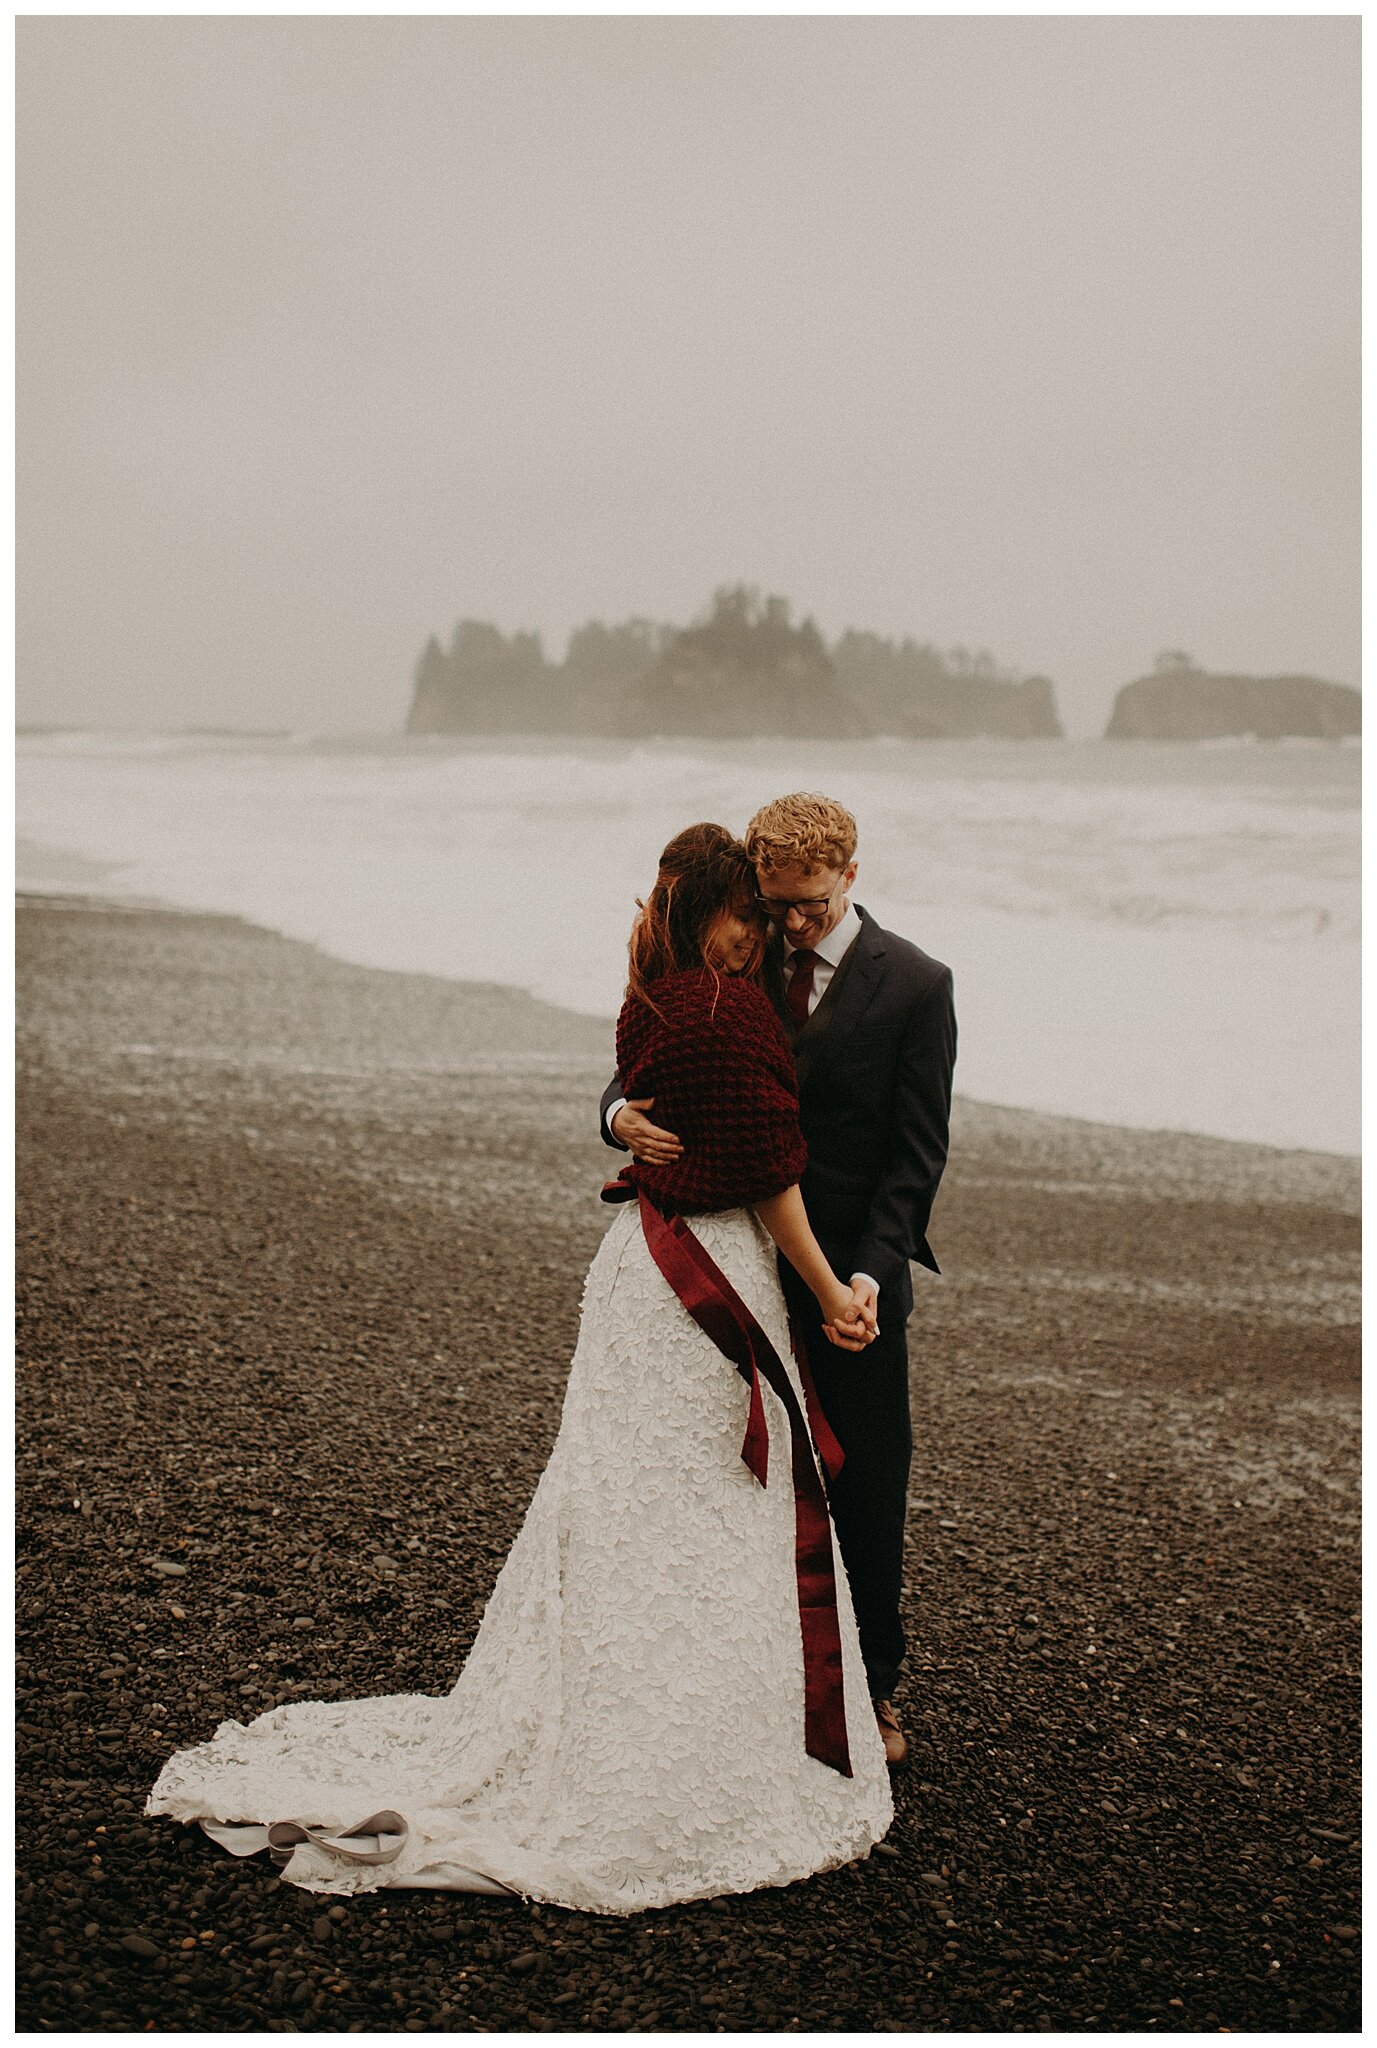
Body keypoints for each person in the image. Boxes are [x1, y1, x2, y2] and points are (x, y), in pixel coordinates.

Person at [146, 823, 893, 1913]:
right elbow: (770, 1175)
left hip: (640, 1275)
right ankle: (698, 1745)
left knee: (628, 1505)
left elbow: (664, 1101)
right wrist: (831, 1292)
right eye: (749, 913)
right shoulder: (726, 1005)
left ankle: (615, 1716)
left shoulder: (647, 993)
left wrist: (629, 1118)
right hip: (709, 1278)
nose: (763, 933)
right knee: (715, 1504)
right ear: (712, 910)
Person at [602, 794, 956, 1769]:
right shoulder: (736, 949)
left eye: (807, 903)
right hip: (740, 1269)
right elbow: (656, 1040)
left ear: (850, 876)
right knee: (740, 1478)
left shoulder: (917, 984)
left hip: (850, 1278)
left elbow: (915, 1159)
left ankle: (873, 1684)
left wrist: (873, 1275)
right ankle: (750, 1671)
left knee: (868, 1479)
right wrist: (617, 1114)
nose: (788, 925)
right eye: (774, 904)